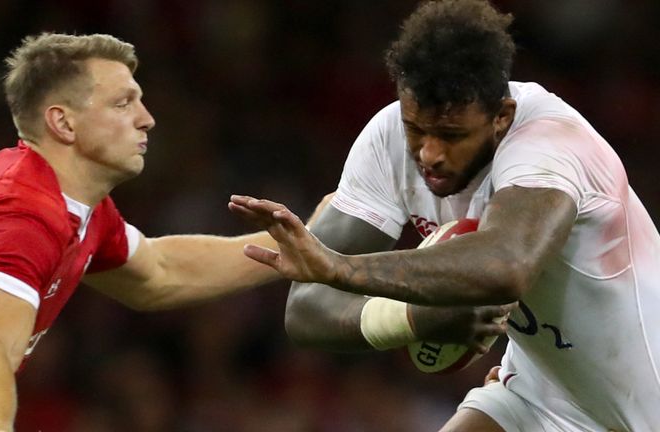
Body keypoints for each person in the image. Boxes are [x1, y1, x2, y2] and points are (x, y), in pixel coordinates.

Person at [230, 0, 660, 431]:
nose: (429, 154)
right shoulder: (388, 140)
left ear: (501, 117)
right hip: (541, 394)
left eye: (451, 135)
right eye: (417, 129)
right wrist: (414, 319)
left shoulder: (551, 144)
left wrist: (340, 270)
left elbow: (506, 265)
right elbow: (305, 310)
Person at [0, 32, 332, 432]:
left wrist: (295, 244)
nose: (147, 119)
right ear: (63, 123)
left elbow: (160, 273)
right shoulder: (18, 215)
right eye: (123, 104)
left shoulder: (76, 205)